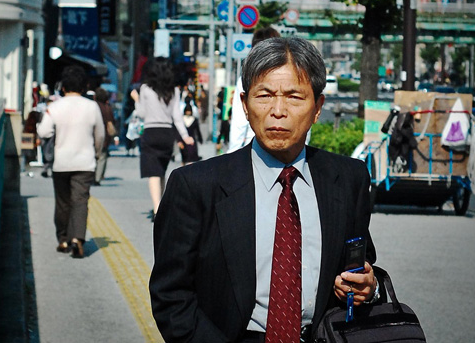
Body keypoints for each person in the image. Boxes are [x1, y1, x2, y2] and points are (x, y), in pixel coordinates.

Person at [149, 37, 382, 343]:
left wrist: (368, 285)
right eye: (265, 95)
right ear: (245, 105)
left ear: (317, 107)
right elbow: (171, 296)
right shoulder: (195, 187)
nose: (278, 110)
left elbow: (361, 263)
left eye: (295, 97)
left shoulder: (348, 178)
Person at [37, 65, 105, 258]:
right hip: (85, 162)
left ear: (63, 87)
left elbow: (43, 132)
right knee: (80, 201)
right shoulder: (92, 107)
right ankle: (78, 239)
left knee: (63, 202)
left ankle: (64, 239)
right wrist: (97, 153)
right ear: (84, 87)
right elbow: (99, 135)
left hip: (61, 162)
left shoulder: (55, 107)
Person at [130, 57, 194, 221]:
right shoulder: (173, 90)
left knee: (153, 172)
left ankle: (157, 208)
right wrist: (185, 136)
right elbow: (177, 117)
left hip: (151, 131)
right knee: (162, 171)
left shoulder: (145, 89)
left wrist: (136, 100)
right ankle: (161, 205)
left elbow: (142, 114)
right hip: (167, 133)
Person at [227, 27, 281, 153]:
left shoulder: (247, 79)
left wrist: (232, 154)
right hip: (288, 150)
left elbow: (239, 123)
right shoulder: (291, 76)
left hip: (255, 149)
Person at [93, 87, 116, 186]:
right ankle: (98, 177)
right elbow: (112, 121)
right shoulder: (108, 108)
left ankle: (92, 175)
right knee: (102, 156)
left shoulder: (93, 107)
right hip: (105, 136)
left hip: (93, 134)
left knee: (93, 156)